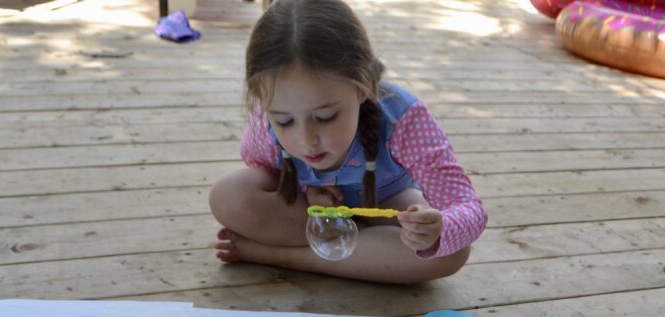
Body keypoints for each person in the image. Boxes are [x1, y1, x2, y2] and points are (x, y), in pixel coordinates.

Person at [208, 0, 487, 284]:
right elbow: (264, 174)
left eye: (325, 116)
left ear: (362, 87)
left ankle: (276, 255)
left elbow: (469, 207)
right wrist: (307, 189)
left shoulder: (403, 118)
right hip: (309, 213)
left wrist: (436, 229)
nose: (306, 142)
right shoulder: (263, 121)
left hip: (384, 202)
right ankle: (360, 251)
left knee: (449, 252)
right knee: (228, 195)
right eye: (284, 121)